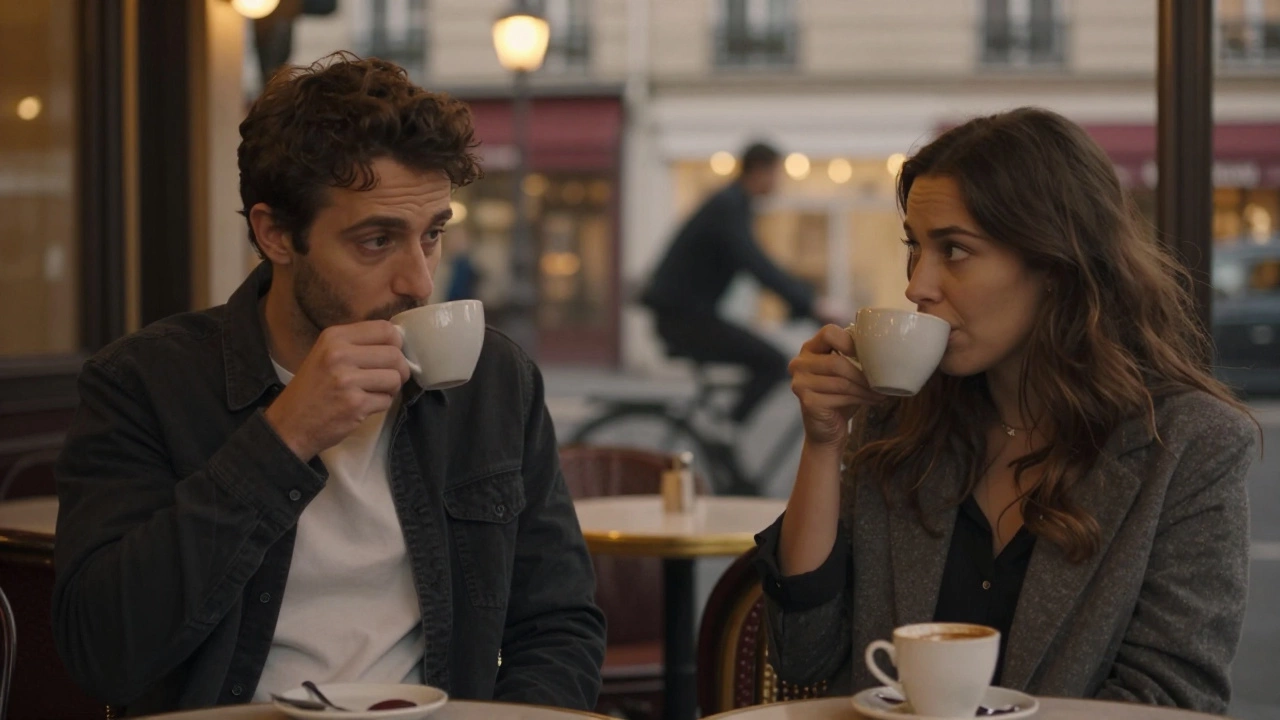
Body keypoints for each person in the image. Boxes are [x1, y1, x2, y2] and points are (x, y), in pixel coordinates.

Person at [53, 54, 606, 716]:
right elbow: (102, 652)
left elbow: (559, 626)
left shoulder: (494, 383)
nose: (419, 282)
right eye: (376, 241)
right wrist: (284, 438)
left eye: (430, 236)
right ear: (276, 234)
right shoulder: (143, 383)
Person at [756, 107, 1256, 713]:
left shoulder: (1188, 445)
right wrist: (822, 443)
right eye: (916, 247)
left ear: (1053, 264)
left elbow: (1171, 700)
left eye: (955, 250)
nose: (918, 285)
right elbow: (803, 656)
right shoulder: (901, 422)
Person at [641, 142, 842, 493]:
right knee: (772, 361)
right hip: (683, 320)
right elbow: (755, 263)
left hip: (687, 316)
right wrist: (810, 304)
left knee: (764, 359)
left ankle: (727, 444)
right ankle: (728, 430)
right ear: (760, 171)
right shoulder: (728, 206)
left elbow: (758, 263)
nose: (778, 183)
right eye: (776, 173)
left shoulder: (733, 203)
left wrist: (802, 302)